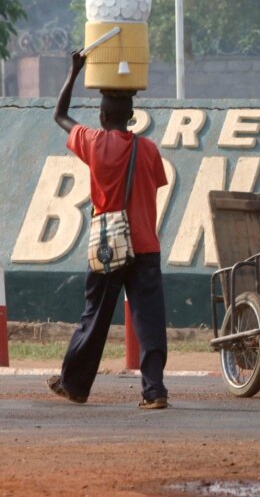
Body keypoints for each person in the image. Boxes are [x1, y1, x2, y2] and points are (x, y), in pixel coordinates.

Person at [48, 51, 170, 409]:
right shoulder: (148, 150)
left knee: (95, 316)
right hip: (146, 245)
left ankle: (75, 385)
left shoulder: (93, 142)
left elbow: (59, 115)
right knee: (149, 320)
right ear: (131, 117)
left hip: (108, 247)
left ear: (102, 117)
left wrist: (74, 71)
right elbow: (157, 185)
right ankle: (154, 391)